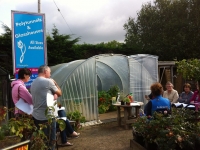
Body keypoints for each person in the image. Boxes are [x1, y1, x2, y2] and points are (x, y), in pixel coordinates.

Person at [30, 65, 62, 150]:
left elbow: (43, 95)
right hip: (48, 115)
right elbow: (59, 93)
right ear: (45, 72)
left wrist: (52, 95)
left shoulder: (33, 83)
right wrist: (55, 83)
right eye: (50, 72)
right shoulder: (48, 82)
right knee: (51, 140)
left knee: (42, 139)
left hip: (37, 115)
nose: (50, 74)